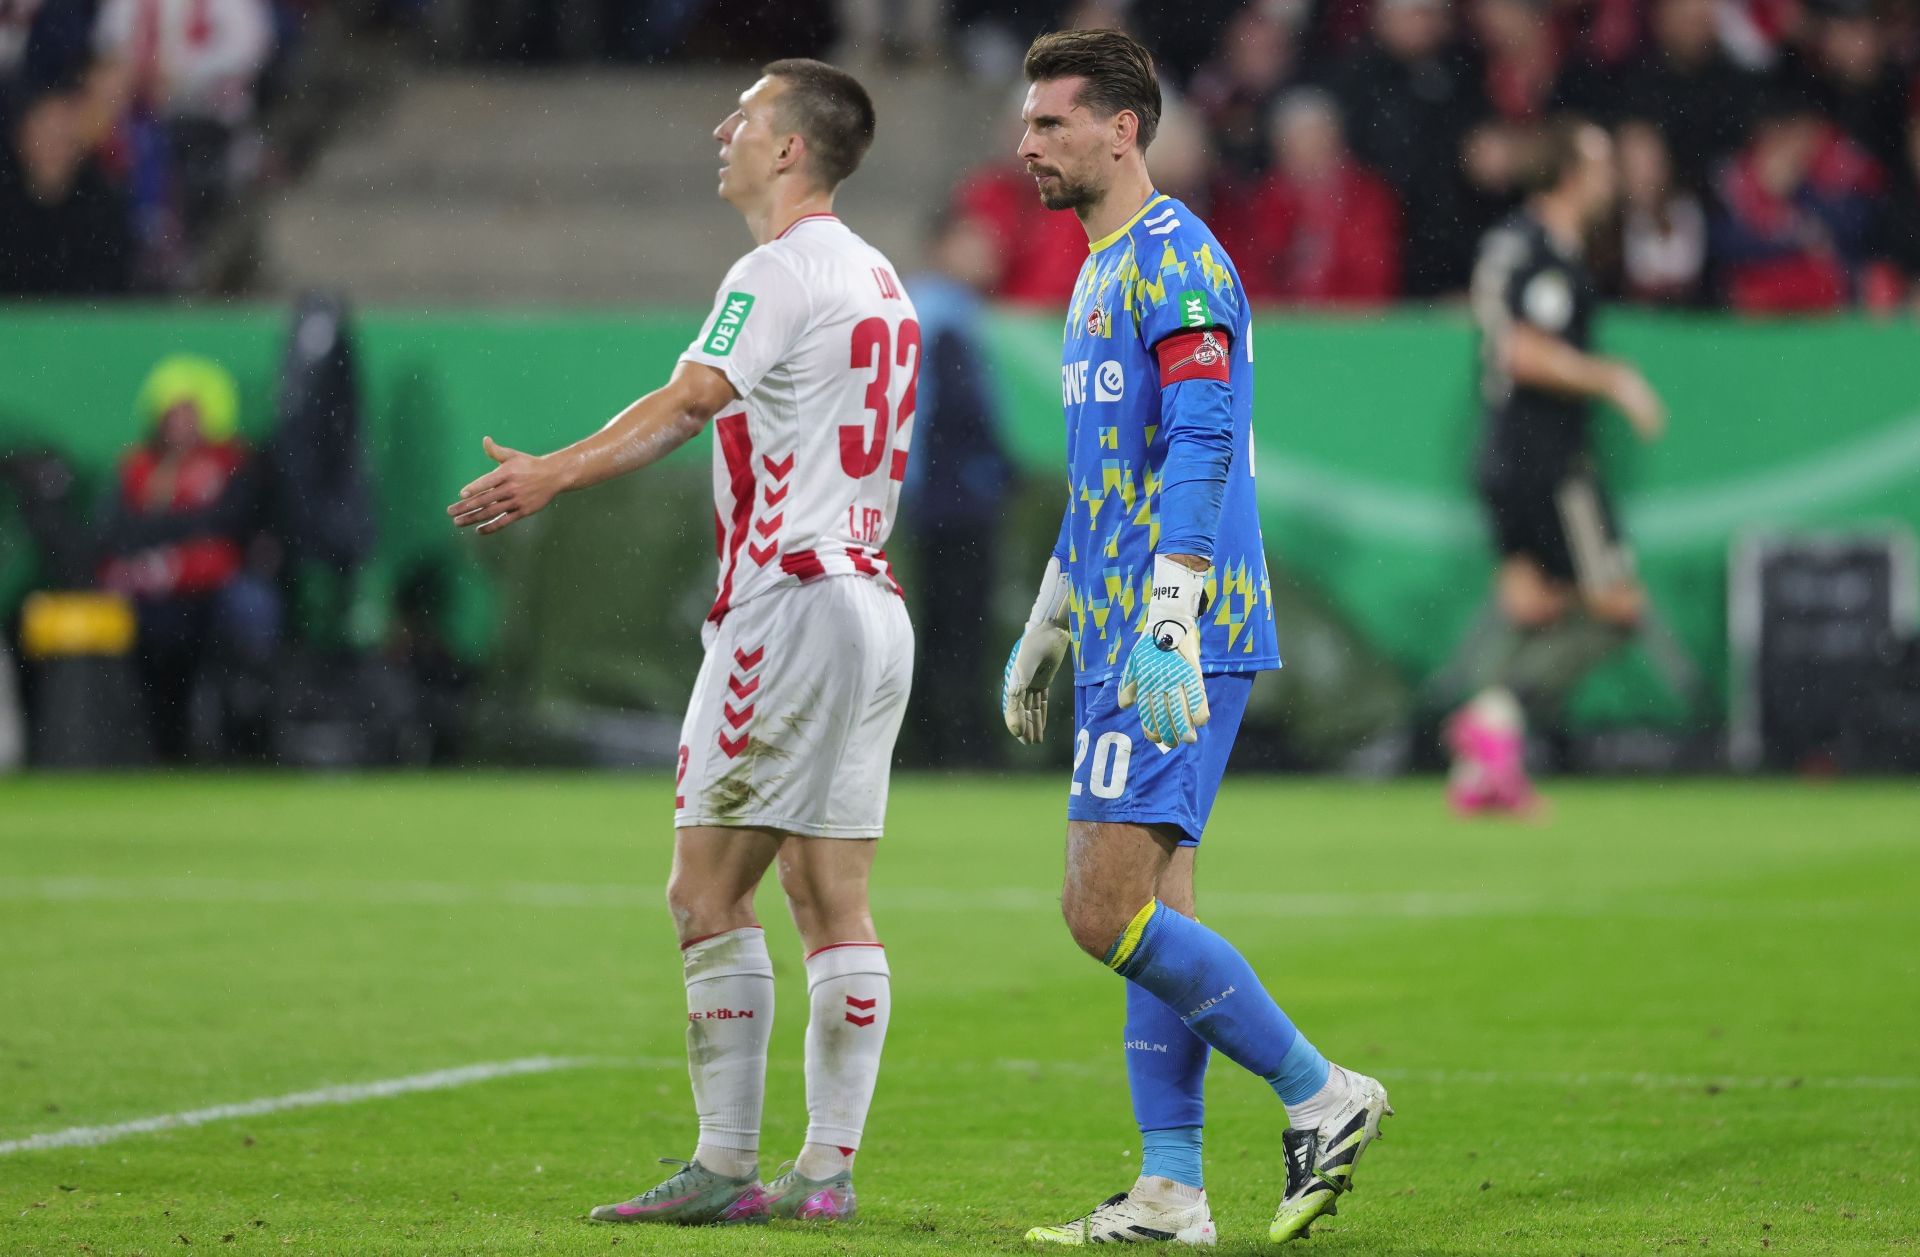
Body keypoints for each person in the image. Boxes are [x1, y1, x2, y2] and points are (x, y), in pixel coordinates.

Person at [447, 58, 914, 1226]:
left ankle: (725, 1164)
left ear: (793, 148)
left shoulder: (773, 269)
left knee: (705, 898)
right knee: (829, 895)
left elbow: (693, 398)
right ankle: (827, 1170)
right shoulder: (878, 274)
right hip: (870, 604)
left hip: (788, 603)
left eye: (747, 116)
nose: (725, 129)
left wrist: (551, 471)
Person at [999, 28, 1393, 1248]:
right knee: (1153, 906)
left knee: (1099, 910)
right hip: (1122, 626)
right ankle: (1170, 1192)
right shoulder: (1097, 268)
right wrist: (1053, 614)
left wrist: (1167, 614)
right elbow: (1101, 473)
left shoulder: (1178, 262)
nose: (1027, 145)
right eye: (1026, 124)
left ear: (1123, 127)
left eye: (1051, 123)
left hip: (1180, 631)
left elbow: (1205, 443)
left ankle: (1323, 1092)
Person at [1447, 118, 1667, 813]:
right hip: (1548, 460)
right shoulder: (1545, 249)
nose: (1611, 178)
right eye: (1600, 164)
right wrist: (1615, 380)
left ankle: (1481, 772)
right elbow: (1523, 351)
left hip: (1505, 453)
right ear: (1569, 174)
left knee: (1532, 604)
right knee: (1616, 607)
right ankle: (1491, 720)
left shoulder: (1514, 240)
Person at [95, 354, 276, 758]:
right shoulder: (138, 467)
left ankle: (247, 736)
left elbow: (233, 524)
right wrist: (183, 535)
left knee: (251, 609)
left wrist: (168, 535)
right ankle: (157, 745)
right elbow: (114, 532)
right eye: (172, 413)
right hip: (154, 595)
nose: (181, 424)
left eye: (189, 413)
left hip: (216, 589)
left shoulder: (232, 463)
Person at [904, 207, 1014, 768]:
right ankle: (961, 742)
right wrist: (1000, 467)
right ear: (944, 245)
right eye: (976, 241)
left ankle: (923, 741)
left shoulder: (916, 306)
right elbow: (963, 412)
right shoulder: (947, 317)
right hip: (956, 500)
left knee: (933, 624)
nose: (989, 254)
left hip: (924, 497)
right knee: (961, 627)